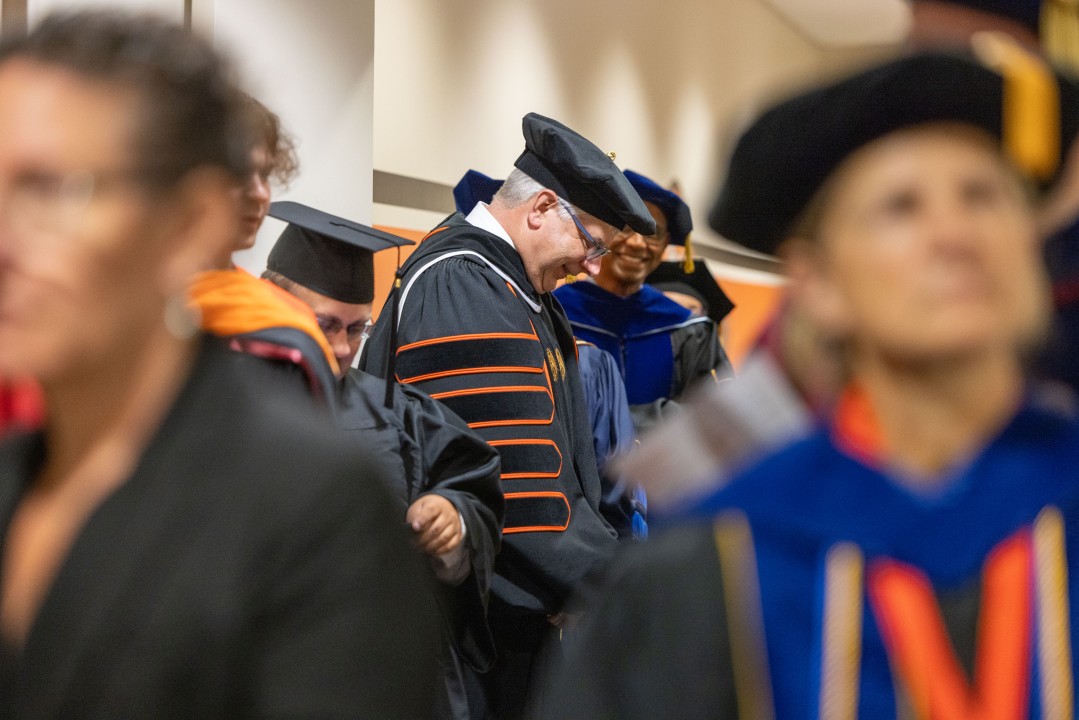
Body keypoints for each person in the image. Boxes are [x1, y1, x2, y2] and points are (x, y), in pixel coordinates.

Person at [542, 46, 1079, 719]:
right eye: (900, 207)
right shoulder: (717, 562)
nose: (954, 234)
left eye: (983, 196)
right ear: (817, 284)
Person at [0, 10, 439, 717]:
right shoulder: (16, 479)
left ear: (189, 224)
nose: (6, 244)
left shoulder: (310, 510)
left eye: (53, 192)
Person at [361, 112, 655, 719]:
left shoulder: (515, 288)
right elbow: (510, 479)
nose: (593, 266)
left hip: (509, 616)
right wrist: (599, 581)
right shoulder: (463, 286)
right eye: (592, 242)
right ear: (542, 206)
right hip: (469, 629)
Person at [261, 200, 505, 719]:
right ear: (272, 301)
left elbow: (472, 481)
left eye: (357, 328)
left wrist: (454, 519)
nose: (344, 348)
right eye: (325, 324)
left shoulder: (399, 410)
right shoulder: (220, 403)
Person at [553, 169, 732, 432]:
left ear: (664, 246)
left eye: (652, 233)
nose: (638, 243)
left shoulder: (688, 329)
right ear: (603, 232)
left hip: (661, 468)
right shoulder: (556, 313)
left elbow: (712, 417)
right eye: (626, 229)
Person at [188, 95, 340, 404]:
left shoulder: (284, 325)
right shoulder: (123, 311)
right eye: (238, 173)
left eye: (266, 175)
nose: (259, 193)